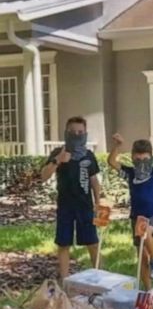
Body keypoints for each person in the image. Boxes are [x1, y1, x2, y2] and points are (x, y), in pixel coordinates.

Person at [108, 134, 153, 290]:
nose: (142, 164)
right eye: (138, 160)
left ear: (151, 158)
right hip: (136, 217)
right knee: (140, 255)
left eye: (145, 160)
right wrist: (118, 145)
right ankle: (148, 288)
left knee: (147, 233)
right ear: (132, 158)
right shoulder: (130, 173)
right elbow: (111, 162)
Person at [41, 117, 100, 281]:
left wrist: (99, 202)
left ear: (85, 134)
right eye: (72, 132)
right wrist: (57, 160)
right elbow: (43, 176)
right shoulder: (57, 153)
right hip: (66, 205)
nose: (76, 135)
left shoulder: (88, 155)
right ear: (66, 133)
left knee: (92, 242)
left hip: (85, 205)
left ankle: (100, 277)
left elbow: (94, 181)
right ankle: (65, 280)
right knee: (64, 243)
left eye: (80, 132)